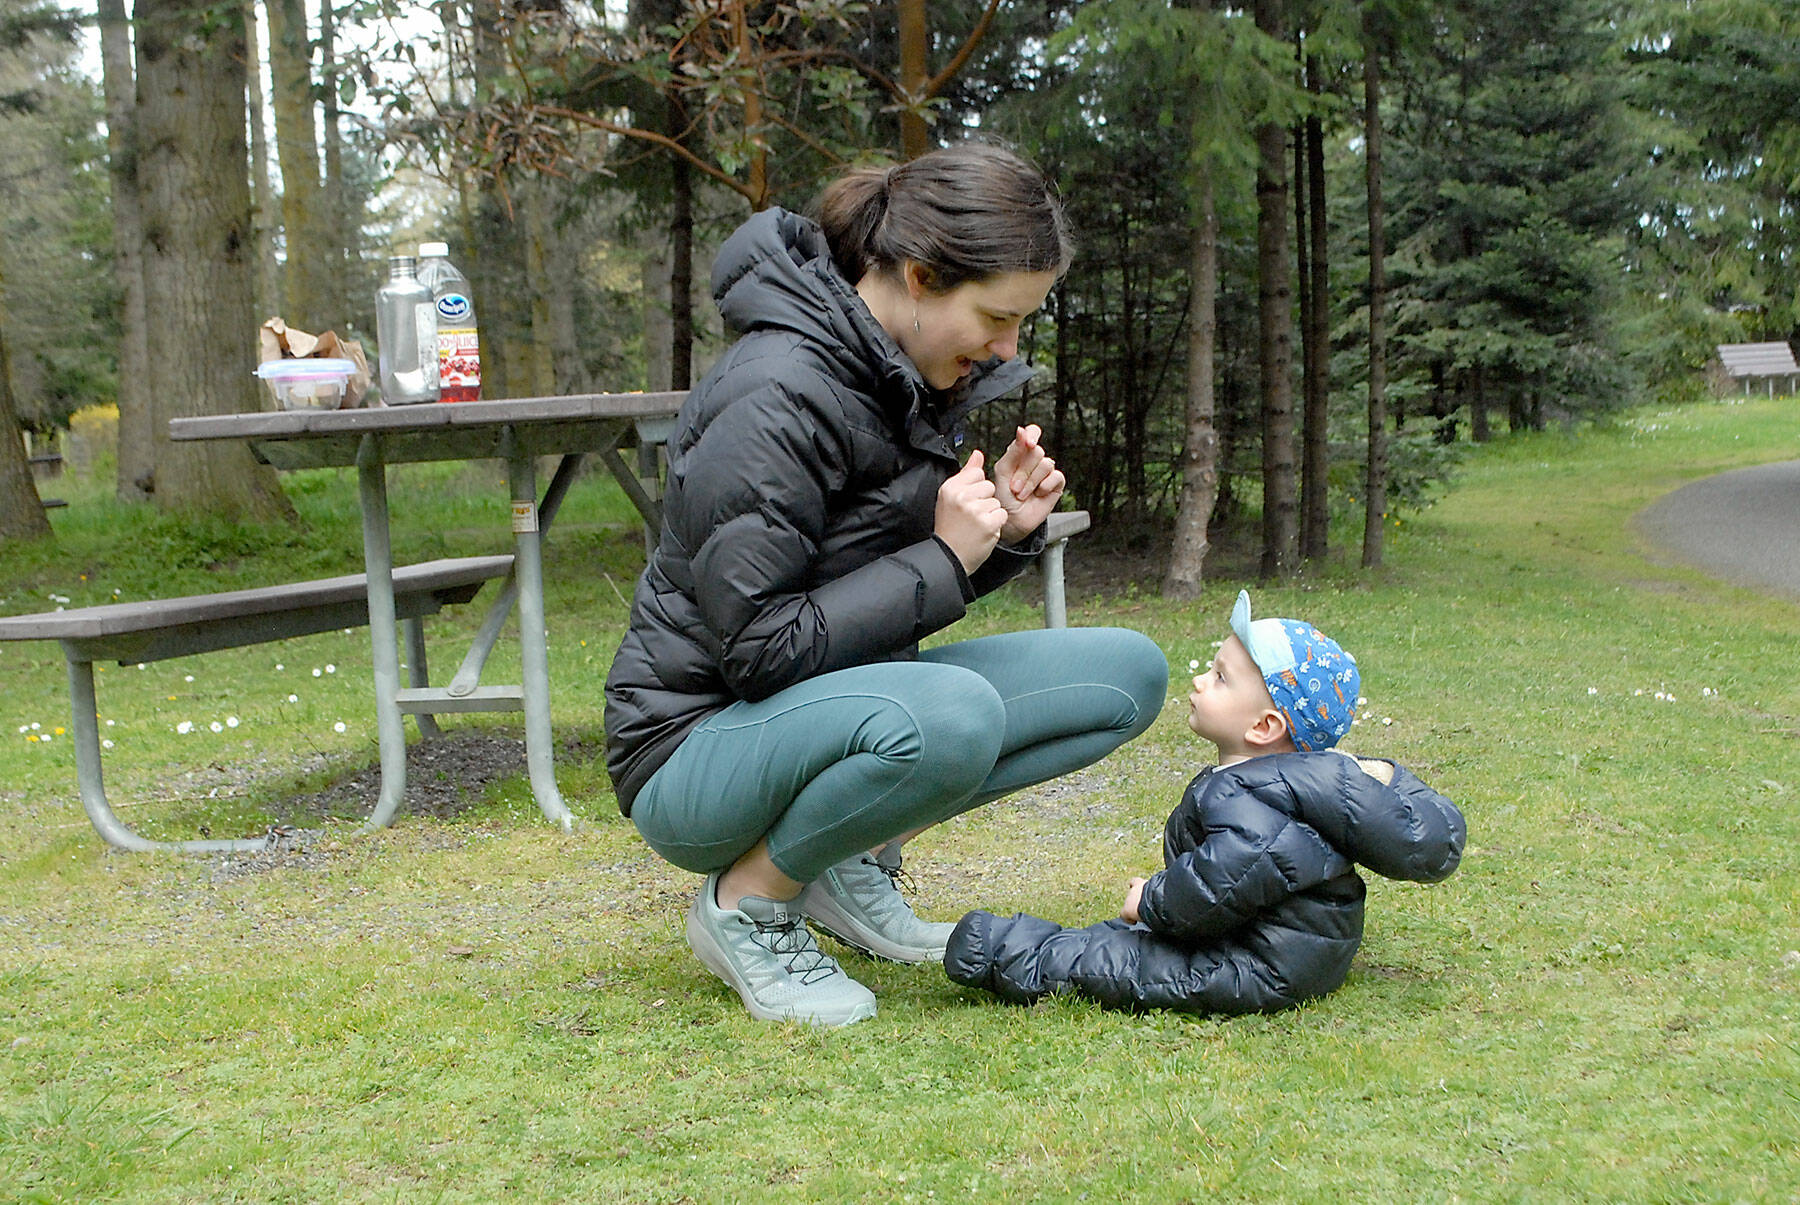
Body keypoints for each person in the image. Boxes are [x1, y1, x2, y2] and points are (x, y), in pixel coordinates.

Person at [603, 143, 1169, 1027]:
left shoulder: (895, 374)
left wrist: (999, 543)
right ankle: (746, 903)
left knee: (1124, 677)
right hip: (691, 751)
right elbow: (761, 648)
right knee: (953, 713)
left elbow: (864, 605)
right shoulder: (775, 394)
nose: (1008, 347)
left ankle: (843, 857)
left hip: (816, 709)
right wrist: (943, 557)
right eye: (995, 316)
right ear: (918, 275)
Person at [944, 590, 1466, 1015]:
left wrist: (1149, 900)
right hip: (1295, 949)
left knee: (1120, 964)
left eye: (1220, 677)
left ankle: (998, 949)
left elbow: (1219, 887)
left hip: (1262, 964)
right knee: (1133, 947)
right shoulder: (1274, 781)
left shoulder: (1253, 793)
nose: (1199, 679)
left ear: (1264, 727)